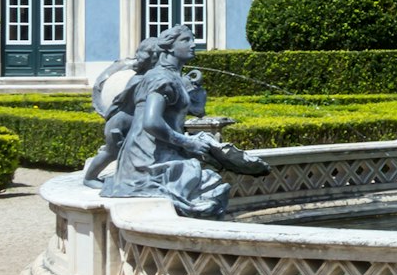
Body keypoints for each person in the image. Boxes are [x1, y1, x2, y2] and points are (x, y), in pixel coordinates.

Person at [83, 26, 264, 218]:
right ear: (169, 47)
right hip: (146, 160)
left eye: (192, 39)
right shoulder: (160, 79)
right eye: (186, 40)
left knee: (211, 178)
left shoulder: (172, 77)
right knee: (208, 184)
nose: (193, 44)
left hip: (161, 151)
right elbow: (151, 123)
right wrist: (187, 142)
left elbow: (196, 110)